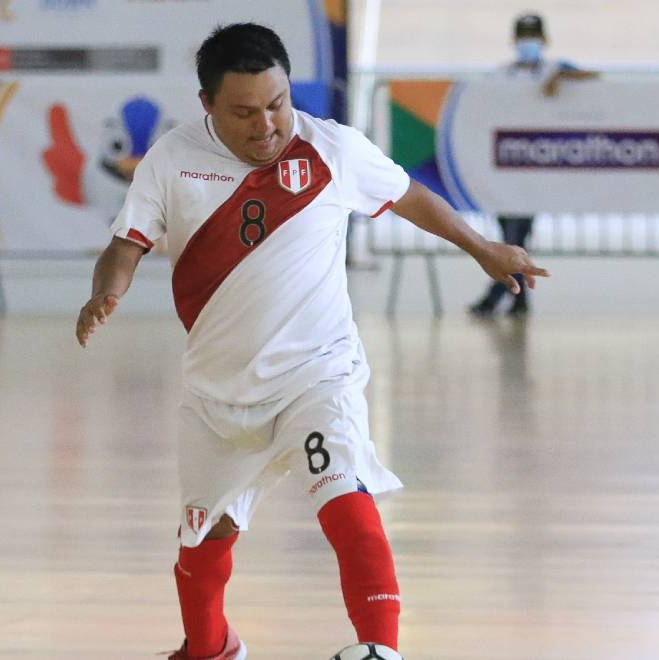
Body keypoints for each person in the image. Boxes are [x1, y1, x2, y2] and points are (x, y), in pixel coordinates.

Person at [75, 23, 548, 660]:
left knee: (344, 496)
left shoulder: (331, 149)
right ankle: (211, 648)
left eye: (277, 104)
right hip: (219, 394)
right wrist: (108, 290)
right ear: (207, 104)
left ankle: (381, 648)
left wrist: (483, 249)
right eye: (244, 112)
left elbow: (409, 196)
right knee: (202, 540)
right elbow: (125, 244)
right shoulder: (171, 159)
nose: (267, 125)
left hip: (316, 375)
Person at [469, 12, 594, 318]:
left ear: (544, 40)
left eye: (533, 37)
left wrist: (562, 77)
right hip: (504, 169)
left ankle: (499, 294)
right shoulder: (501, 76)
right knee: (512, 233)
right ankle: (517, 296)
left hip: (533, 171)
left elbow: (596, 81)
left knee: (515, 233)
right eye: (523, 38)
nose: (528, 43)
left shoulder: (555, 69)